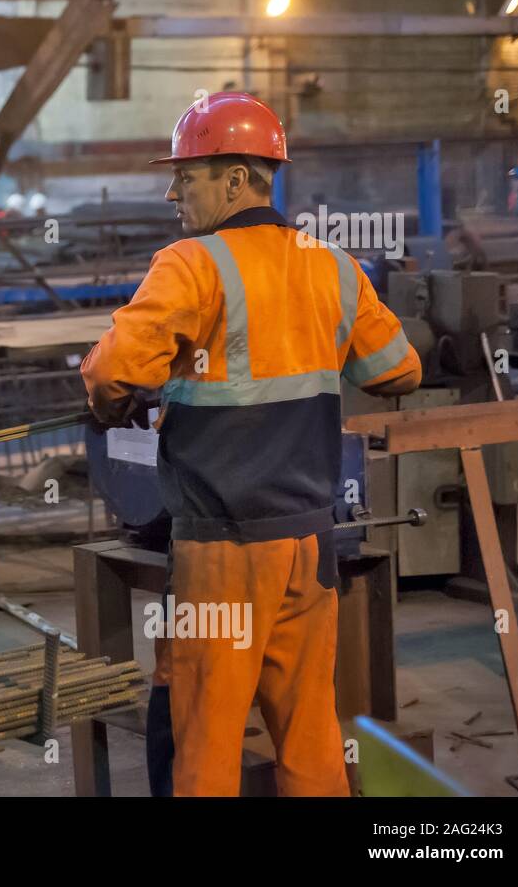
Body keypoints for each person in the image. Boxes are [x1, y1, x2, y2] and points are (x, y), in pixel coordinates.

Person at [80, 91, 422, 796]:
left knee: (201, 743)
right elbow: (400, 371)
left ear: (236, 178)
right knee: (310, 737)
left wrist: (111, 399)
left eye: (188, 175)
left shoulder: (192, 263)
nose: (173, 191)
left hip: (222, 559)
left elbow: (114, 372)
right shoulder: (331, 265)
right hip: (308, 548)